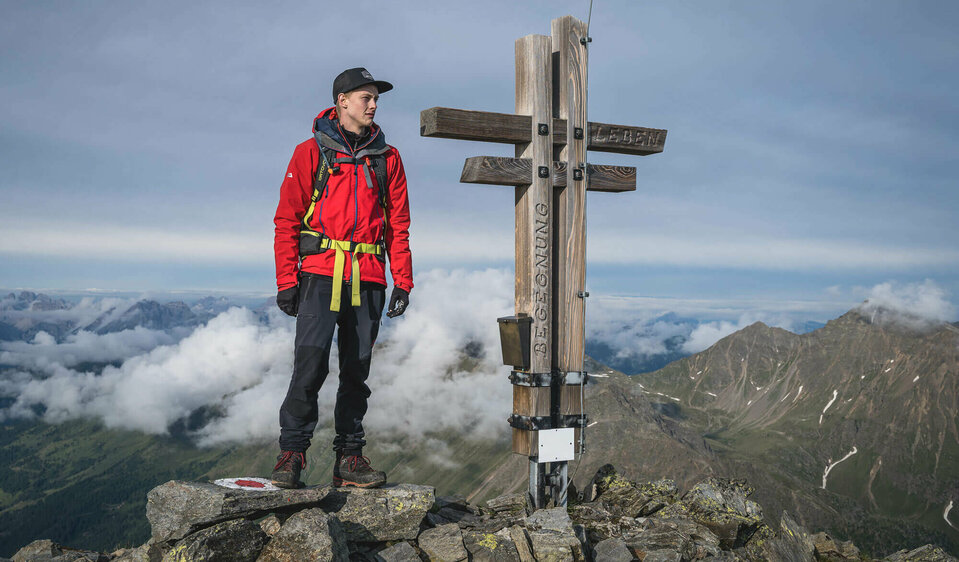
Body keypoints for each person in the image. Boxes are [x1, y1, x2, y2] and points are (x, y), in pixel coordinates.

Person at [271, 67, 413, 489]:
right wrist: (286, 280)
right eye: (365, 97)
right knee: (309, 367)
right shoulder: (309, 152)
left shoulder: (388, 158)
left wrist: (402, 279)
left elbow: (398, 224)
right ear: (342, 101)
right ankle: (291, 455)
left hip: (369, 278)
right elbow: (287, 221)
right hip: (319, 276)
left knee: (357, 371)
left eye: (376, 99)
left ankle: (349, 461)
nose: (373, 104)